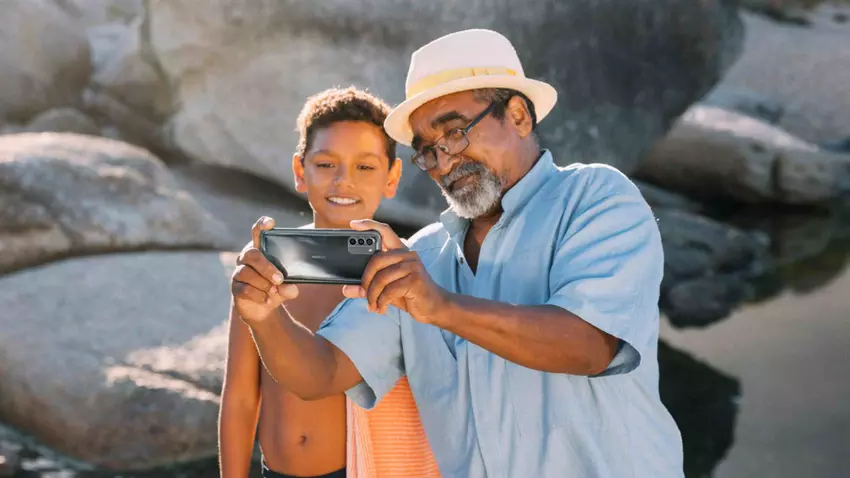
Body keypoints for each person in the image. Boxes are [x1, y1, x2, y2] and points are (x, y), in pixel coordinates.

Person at [233, 29, 685, 477]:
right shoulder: (421, 257)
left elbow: (589, 346)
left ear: (518, 116)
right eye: (428, 151)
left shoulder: (595, 197)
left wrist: (442, 308)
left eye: (455, 132)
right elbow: (319, 373)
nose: (444, 161)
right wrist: (264, 317)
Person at [219, 87, 440, 478]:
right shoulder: (266, 265)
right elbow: (240, 396)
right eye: (325, 164)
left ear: (392, 177)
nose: (343, 181)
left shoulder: (405, 272)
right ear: (299, 171)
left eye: (365, 167)